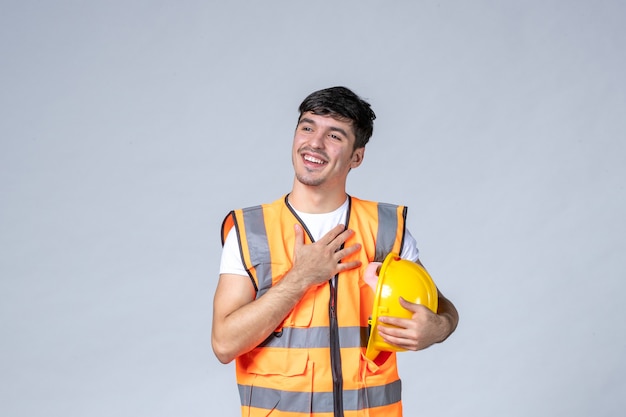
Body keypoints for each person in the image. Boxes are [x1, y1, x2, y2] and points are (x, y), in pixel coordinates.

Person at [212, 86, 459, 417]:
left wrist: (438, 328)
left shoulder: (384, 228)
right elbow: (224, 344)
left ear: (356, 156)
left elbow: (441, 306)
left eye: (335, 135)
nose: (314, 142)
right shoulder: (250, 230)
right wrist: (300, 278)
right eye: (307, 126)